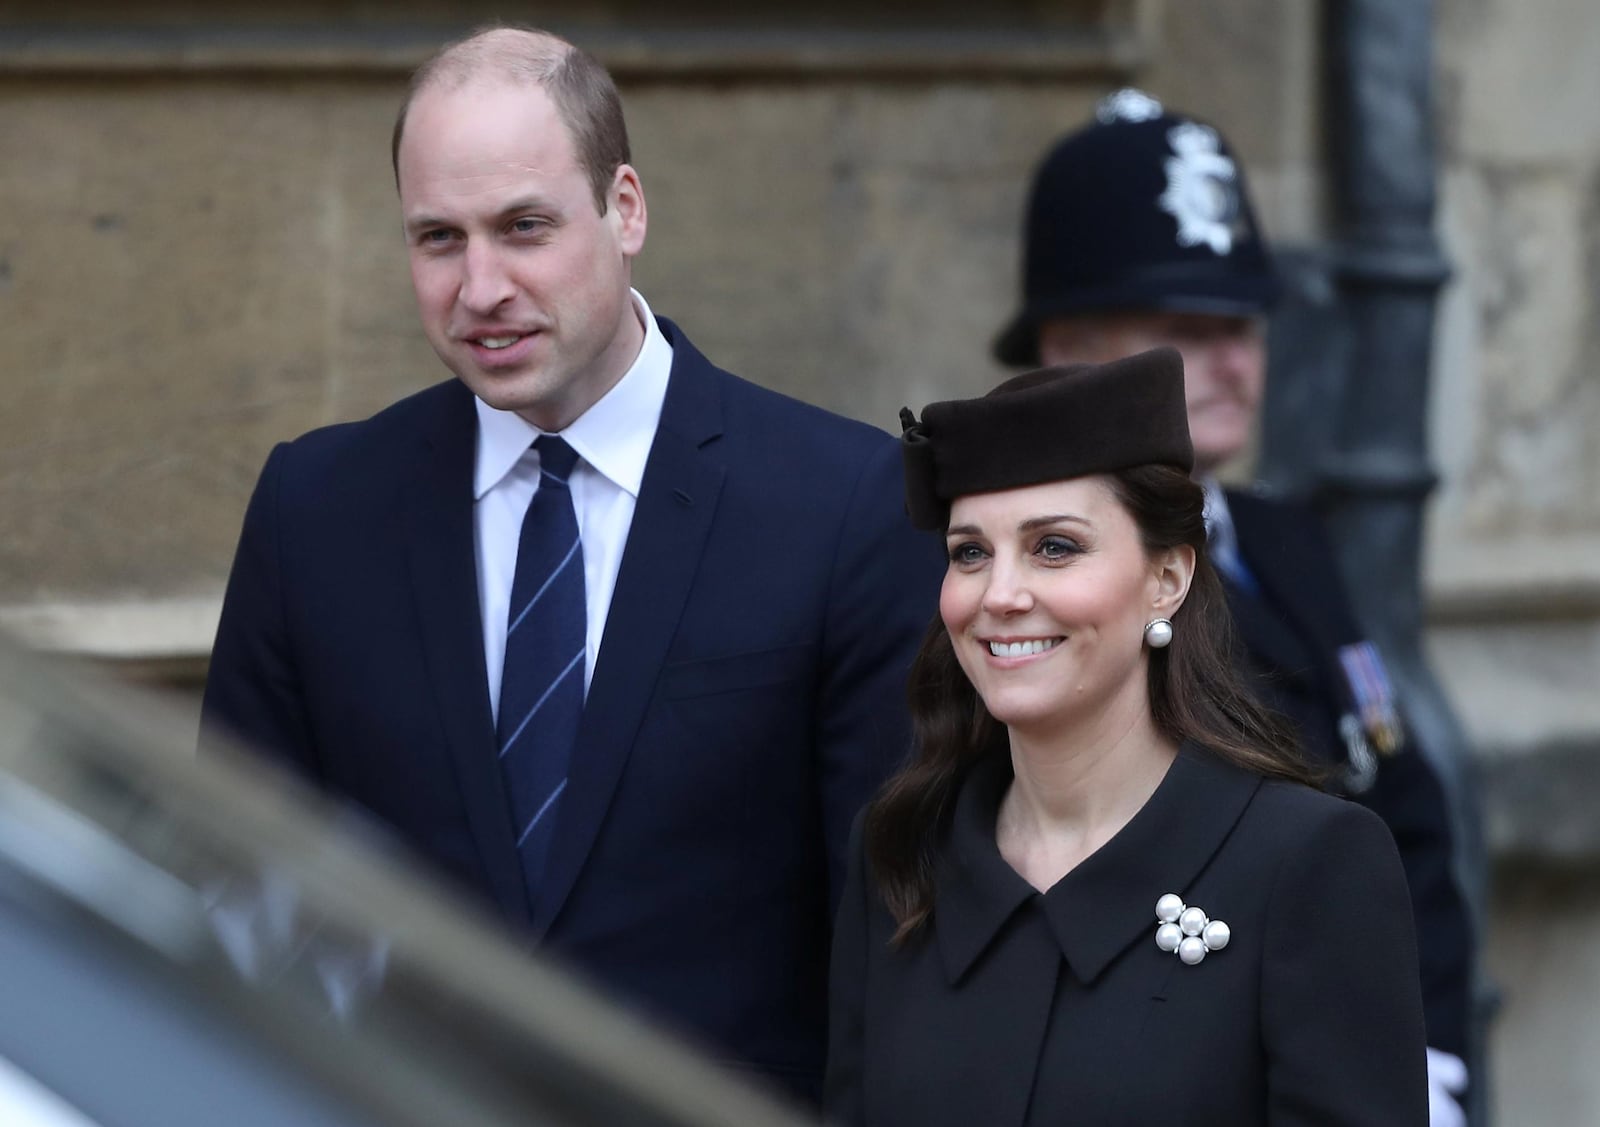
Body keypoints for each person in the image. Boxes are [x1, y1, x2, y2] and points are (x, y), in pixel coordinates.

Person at [200, 25, 942, 1106]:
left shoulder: (843, 503)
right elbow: (235, 883)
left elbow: (891, 932)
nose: (480, 284)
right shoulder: (317, 508)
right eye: (438, 238)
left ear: (625, 208)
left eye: (523, 227)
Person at [992, 90, 1472, 1125]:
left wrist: (1428, 1056)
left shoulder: (1288, 539)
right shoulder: (1018, 588)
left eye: (1242, 326)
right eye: (1183, 327)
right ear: (1070, 343)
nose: (1231, 362)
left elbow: (1408, 822)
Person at [825, 349, 1428, 1125]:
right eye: (970, 552)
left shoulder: (1307, 863)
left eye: (1055, 546)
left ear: (1168, 578)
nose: (1000, 595)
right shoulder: (902, 848)